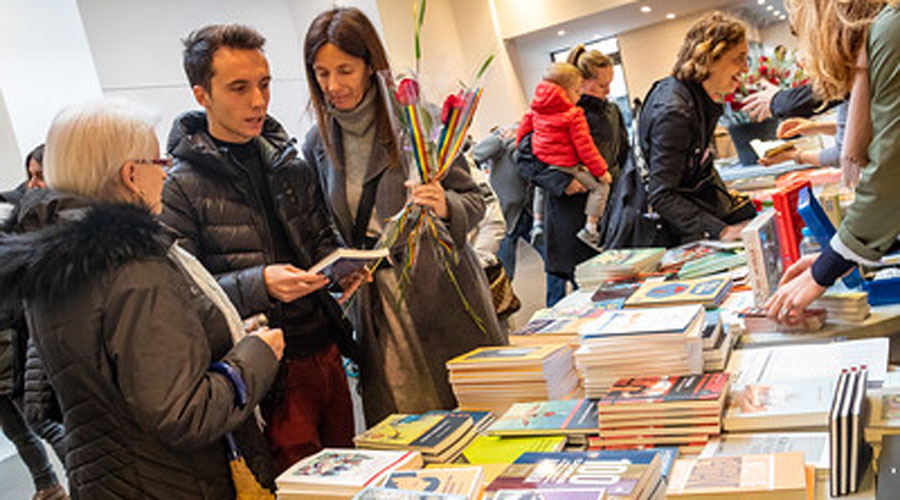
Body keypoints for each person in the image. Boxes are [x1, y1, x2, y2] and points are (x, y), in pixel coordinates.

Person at [0, 98, 283, 499]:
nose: (166, 175)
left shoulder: (54, 262)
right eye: (160, 163)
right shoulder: (133, 265)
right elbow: (183, 412)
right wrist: (255, 356)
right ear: (132, 174)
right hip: (175, 482)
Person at [161, 24, 360, 473]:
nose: (258, 100)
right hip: (267, 371)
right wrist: (259, 284)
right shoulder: (180, 187)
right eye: (239, 88)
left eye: (265, 84)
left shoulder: (289, 160)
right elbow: (182, 298)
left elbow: (321, 240)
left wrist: (342, 267)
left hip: (325, 350)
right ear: (202, 94)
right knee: (296, 483)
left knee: (352, 471)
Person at [301, 7, 506, 425]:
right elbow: (325, 224)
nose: (333, 86)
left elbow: (474, 200)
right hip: (378, 306)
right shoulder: (318, 143)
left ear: (369, 65)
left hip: (443, 293)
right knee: (408, 426)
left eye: (345, 70)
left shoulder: (417, 120)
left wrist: (445, 204)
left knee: (475, 416)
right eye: (322, 73)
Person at [766, 0, 897, 321]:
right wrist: (842, 255)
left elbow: (890, 169)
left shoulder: (890, 31)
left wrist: (829, 265)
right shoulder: (879, 37)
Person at [602, 12, 757, 249]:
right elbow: (662, 194)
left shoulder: (698, 98)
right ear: (711, 57)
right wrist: (721, 230)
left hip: (673, 228)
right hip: (652, 237)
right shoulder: (675, 111)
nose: (745, 68)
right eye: (738, 58)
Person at [516, 62, 612, 250]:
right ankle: (590, 228)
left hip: (546, 162)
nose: (580, 95)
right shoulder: (573, 114)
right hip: (567, 167)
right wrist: (601, 172)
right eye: (577, 91)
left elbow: (521, 135)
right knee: (601, 187)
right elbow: (586, 148)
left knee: (540, 190)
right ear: (565, 91)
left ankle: (537, 223)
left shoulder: (536, 110)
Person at [472, 124, 535, 279]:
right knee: (505, 273)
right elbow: (473, 157)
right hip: (505, 214)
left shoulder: (532, 139)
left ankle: (556, 300)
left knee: (553, 261)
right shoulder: (501, 138)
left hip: (526, 211)